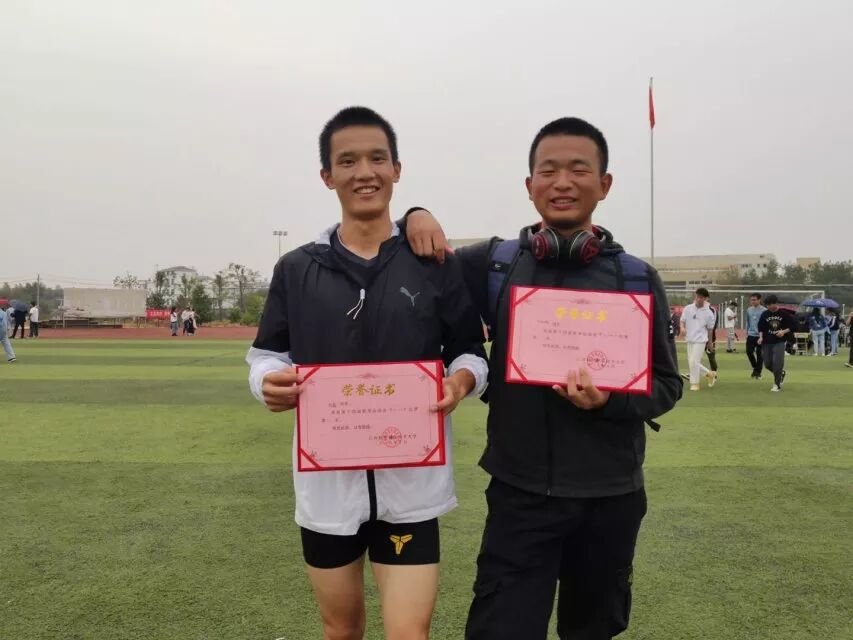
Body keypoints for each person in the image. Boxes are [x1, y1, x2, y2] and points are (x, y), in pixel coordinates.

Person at [405, 116, 682, 639]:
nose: (562, 183)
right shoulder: (494, 264)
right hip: (520, 492)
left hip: (610, 496)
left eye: (579, 169)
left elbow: (668, 385)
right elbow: (417, 260)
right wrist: (414, 215)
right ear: (529, 185)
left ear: (605, 184)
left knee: (592, 629)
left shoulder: (636, 277)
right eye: (548, 171)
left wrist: (608, 401)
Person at [246, 106, 487, 640]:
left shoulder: (433, 262)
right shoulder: (297, 267)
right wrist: (265, 382)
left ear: (397, 169)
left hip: (411, 485)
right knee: (342, 629)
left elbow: (471, 351)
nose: (365, 173)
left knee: (408, 634)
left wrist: (461, 382)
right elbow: (266, 354)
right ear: (327, 175)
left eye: (378, 159)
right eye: (348, 161)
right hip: (327, 488)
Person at [680, 288, 718, 391]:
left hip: (701, 340)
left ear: (706, 299)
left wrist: (710, 343)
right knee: (692, 363)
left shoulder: (709, 313)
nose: (698, 299)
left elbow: (710, 329)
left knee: (693, 361)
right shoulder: (688, 308)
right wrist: (682, 328)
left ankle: (695, 384)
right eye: (697, 296)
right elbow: (682, 321)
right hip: (690, 339)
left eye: (701, 297)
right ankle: (710, 374)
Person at [758, 294, 795, 391]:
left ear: (775, 303)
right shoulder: (765, 314)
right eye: (767, 305)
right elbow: (760, 327)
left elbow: (793, 326)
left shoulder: (784, 314)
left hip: (779, 342)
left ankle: (776, 384)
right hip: (766, 342)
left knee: (778, 363)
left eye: (770, 304)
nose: (768, 307)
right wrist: (760, 337)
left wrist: (783, 332)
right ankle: (781, 373)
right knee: (767, 364)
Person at [745, 293, 766, 379]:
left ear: (759, 300)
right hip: (751, 334)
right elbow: (748, 322)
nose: (752, 301)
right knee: (749, 351)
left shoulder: (764, 310)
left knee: (760, 354)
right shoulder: (749, 310)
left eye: (754, 300)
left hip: (761, 335)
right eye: (751, 300)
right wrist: (746, 332)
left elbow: (765, 324)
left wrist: (763, 335)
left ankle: (758, 373)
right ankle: (755, 368)